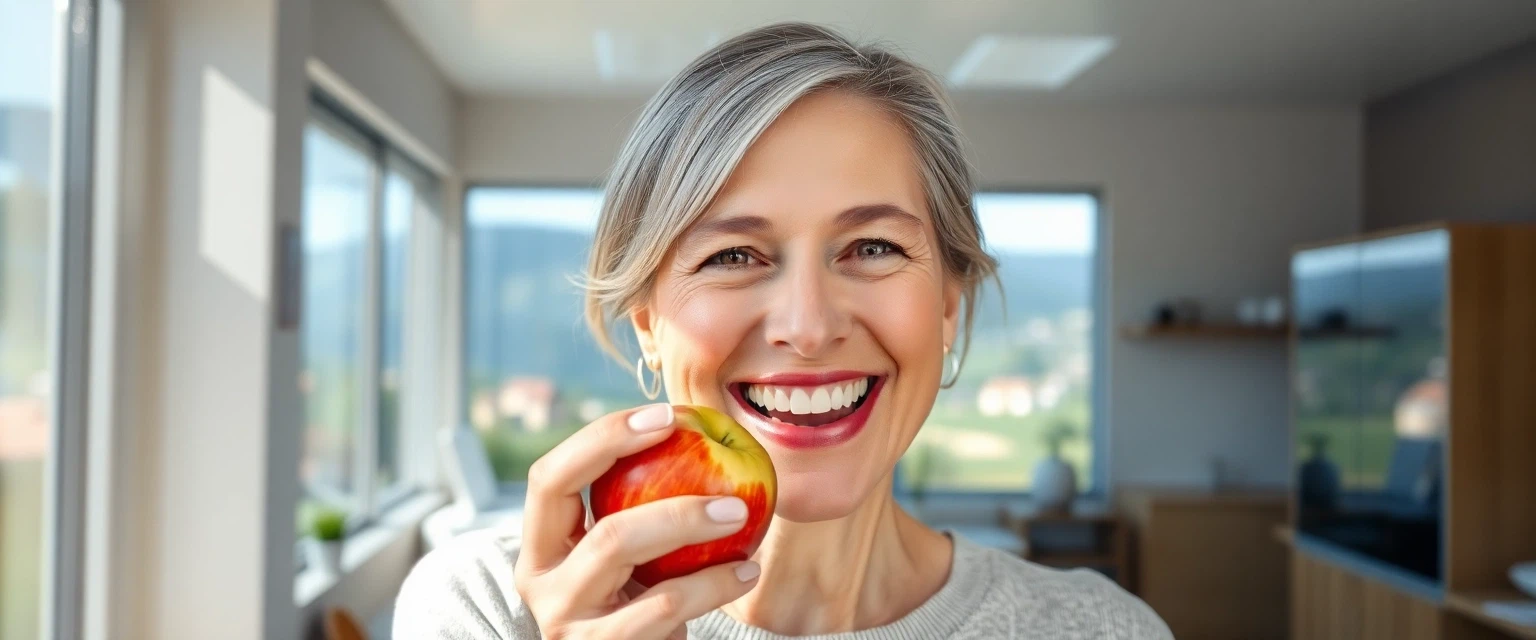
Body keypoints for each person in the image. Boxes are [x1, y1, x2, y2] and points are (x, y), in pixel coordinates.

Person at [395, 22, 1172, 640]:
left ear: (947, 307)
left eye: (873, 248)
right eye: (733, 254)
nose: (807, 326)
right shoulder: (489, 613)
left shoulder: (1101, 631)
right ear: (647, 325)